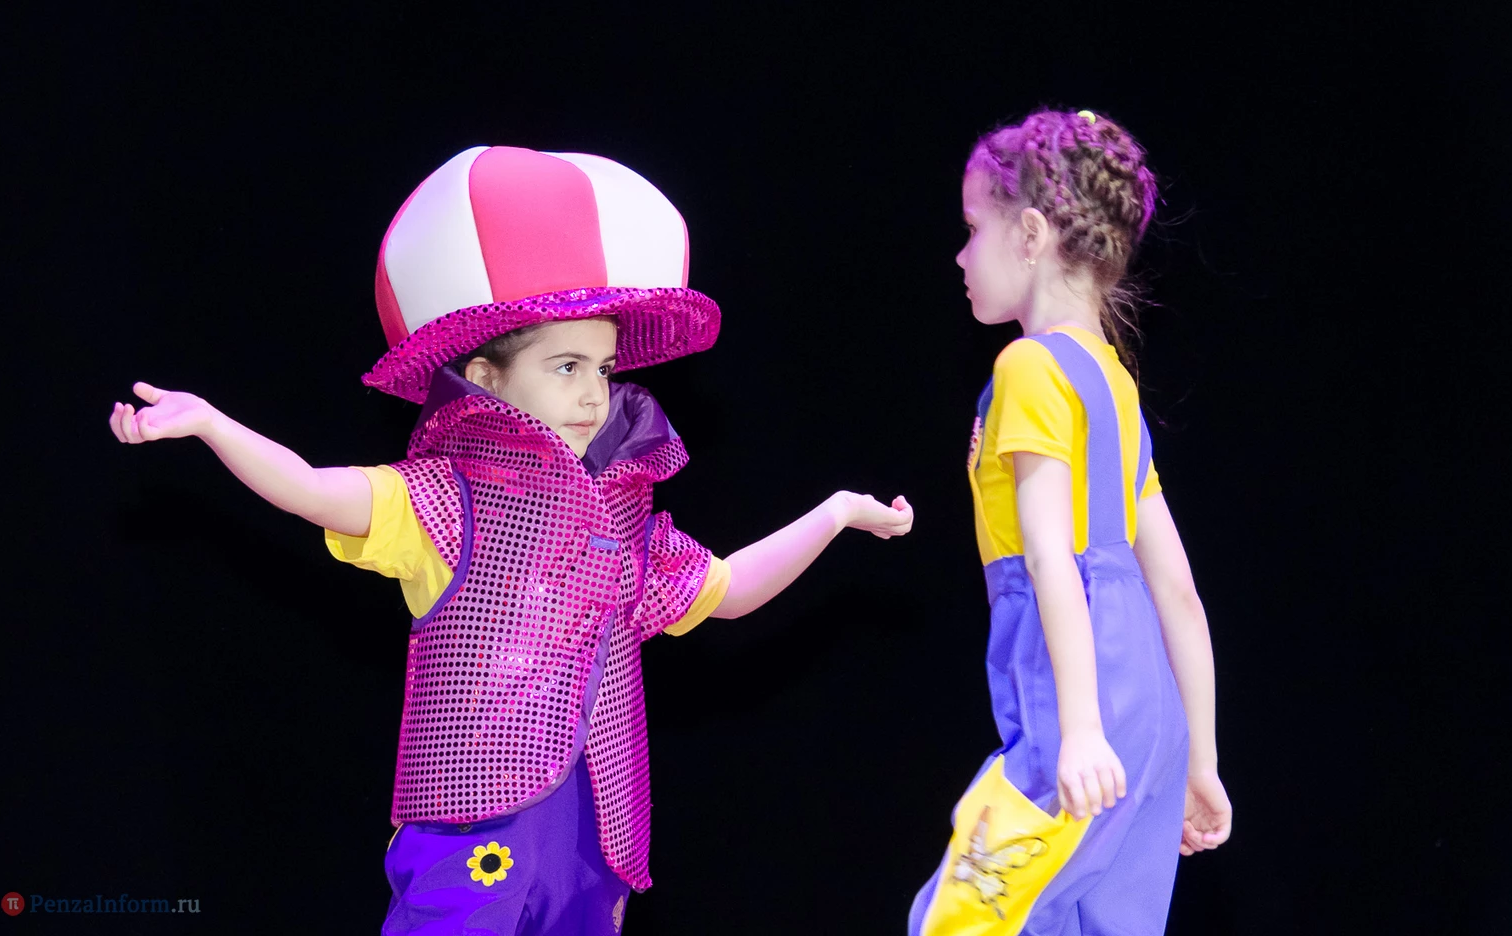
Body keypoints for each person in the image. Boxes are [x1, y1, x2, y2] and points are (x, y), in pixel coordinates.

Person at [109, 145, 913, 935]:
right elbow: (314, 489)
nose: (594, 394)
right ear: (487, 378)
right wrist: (213, 426)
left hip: (593, 836)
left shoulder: (624, 524)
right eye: (566, 367)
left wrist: (834, 514)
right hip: (472, 817)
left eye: (603, 369)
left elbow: (728, 590)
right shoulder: (443, 498)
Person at [909, 110, 1230, 935]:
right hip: (1150, 713)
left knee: (959, 920)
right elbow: (1178, 591)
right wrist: (1198, 759)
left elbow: (1052, 557)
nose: (961, 256)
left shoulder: (1029, 365)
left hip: (1080, 700)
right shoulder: (1113, 384)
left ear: (1029, 234)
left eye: (972, 229)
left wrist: (1080, 731)